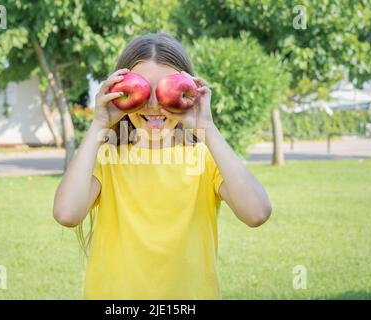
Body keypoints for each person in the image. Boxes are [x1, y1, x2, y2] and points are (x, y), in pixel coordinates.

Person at [53, 32, 272, 299]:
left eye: (164, 90)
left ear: (188, 91)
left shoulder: (204, 158)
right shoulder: (107, 158)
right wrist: (99, 124)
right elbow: (66, 214)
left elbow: (257, 213)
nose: (154, 104)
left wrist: (207, 128)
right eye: (141, 89)